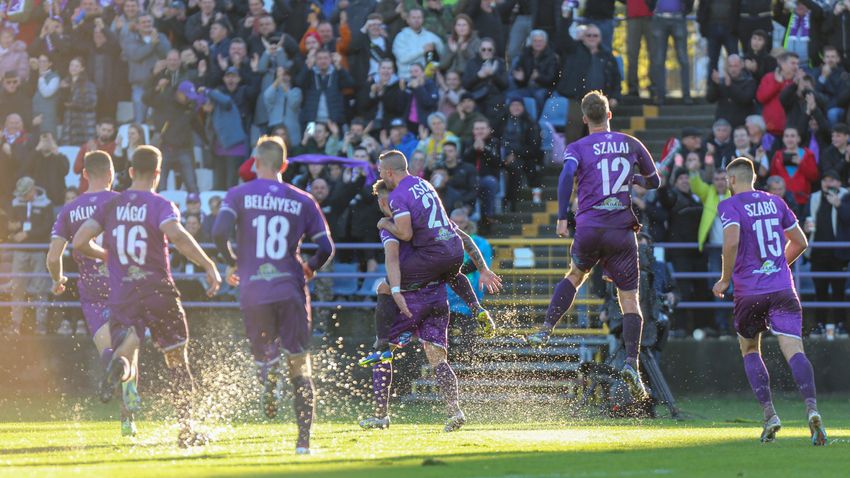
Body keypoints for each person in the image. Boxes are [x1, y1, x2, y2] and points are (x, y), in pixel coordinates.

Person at [73, 146, 221, 447]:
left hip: (124, 293)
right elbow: (176, 235)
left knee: (126, 352)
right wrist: (208, 265)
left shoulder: (112, 206)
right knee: (178, 361)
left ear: (129, 172)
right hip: (158, 290)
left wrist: (107, 256)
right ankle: (185, 430)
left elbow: (78, 241)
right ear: (158, 172)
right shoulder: (159, 204)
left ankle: (121, 368)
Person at [526, 91, 660, 404]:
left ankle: (546, 328)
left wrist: (562, 217)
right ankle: (631, 363)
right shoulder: (631, 143)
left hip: (588, 227)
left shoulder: (578, 147)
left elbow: (567, 175)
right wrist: (636, 180)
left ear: (585, 118)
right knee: (629, 299)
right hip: (621, 231)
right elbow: (655, 181)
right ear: (609, 114)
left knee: (575, 275)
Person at [212, 136, 333, 455]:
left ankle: (268, 378)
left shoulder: (238, 194)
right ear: (283, 165)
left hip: (254, 290)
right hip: (289, 288)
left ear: (254, 163)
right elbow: (326, 248)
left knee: (263, 354)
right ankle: (303, 442)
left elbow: (218, 233)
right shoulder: (303, 198)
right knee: (300, 364)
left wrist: (232, 262)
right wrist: (310, 267)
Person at [358, 176, 500, 431]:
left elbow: (392, 259)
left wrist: (397, 289)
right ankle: (455, 411)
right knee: (438, 359)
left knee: (383, 296)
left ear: (382, 200)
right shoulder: (427, 218)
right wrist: (483, 269)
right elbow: (464, 239)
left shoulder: (390, 226)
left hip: (410, 298)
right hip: (438, 296)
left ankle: (380, 414)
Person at [713, 157, 827, 446]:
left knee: (750, 348)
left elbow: (731, 241)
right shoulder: (775, 202)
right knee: (795, 350)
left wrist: (725, 278)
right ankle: (812, 409)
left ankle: (770, 415)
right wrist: (777, 267)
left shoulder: (730, 205)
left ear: (732, 181)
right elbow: (800, 242)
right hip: (782, 288)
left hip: (749, 292)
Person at [46, 151, 127, 433]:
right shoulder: (122, 202)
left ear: (84, 175)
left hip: (92, 288)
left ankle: (114, 370)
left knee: (109, 352)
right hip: (123, 282)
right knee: (129, 352)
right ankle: (129, 419)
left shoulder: (69, 209)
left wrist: (58, 280)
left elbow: (53, 257)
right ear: (111, 173)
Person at [804, 171, 848, 338]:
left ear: (838, 183)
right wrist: (806, 227)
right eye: (825, 180)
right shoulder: (814, 197)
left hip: (840, 254)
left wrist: (839, 205)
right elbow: (804, 218)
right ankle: (819, 326)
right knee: (820, 292)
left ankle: (840, 325)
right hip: (818, 253)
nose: (827, 183)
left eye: (831, 180)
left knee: (839, 292)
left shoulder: (846, 196)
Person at [8, 177, 53, 335]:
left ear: (32, 190)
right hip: (20, 251)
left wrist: (27, 234)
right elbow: (11, 224)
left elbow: (47, 227)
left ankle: (41, 324)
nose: (22, 196)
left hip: (38, 251)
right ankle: (15, 323)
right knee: (17, 287)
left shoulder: (46, 204)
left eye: (24, 193)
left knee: (40, 288)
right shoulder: (15, 202)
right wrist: (12, 229)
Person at [649, 0, 694, 105]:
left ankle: (686, 95)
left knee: (683, 59)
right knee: (659, 60)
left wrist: (686, 10)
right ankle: (660, 96)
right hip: (659, 18)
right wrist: (652, 7)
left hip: (678, 18)